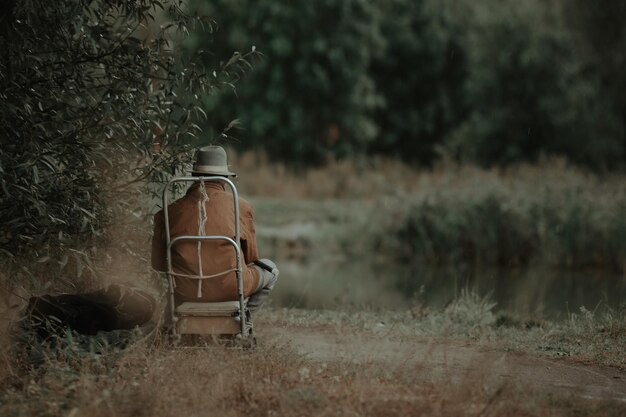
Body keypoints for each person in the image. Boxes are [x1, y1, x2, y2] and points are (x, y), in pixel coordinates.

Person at [151, 146, 278, 319]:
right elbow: (251, 258)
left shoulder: (168, 212)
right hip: (231, 288)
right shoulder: (240, 207)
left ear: (194, 176)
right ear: (224, 179)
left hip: (186, 290)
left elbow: (157, 264)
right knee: (271, 270)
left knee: (174, 280)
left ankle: (171, 327)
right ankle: (244, 323)